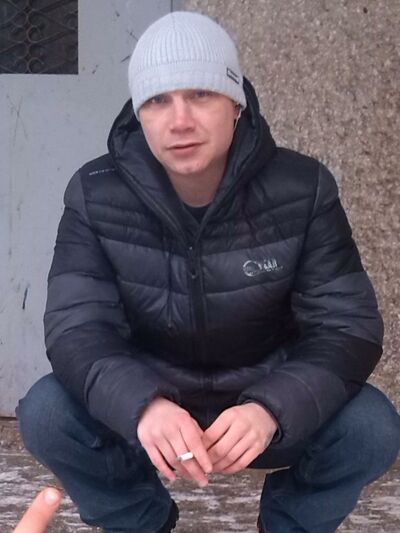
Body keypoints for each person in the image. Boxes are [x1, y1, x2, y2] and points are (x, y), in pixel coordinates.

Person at [17, 11, 399, 533]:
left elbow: (347, 326)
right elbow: (76, 328)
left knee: (371, 427)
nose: (179, 121)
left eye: (200, 94)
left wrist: (270, 408)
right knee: (47, 412)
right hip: (152, 407)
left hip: (263, 402)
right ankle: (140, 522)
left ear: (235, 103)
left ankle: (290, 524)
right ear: (139, 113)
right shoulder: (95, 193)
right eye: (157, 100)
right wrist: (143, 405)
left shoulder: (302, 188)